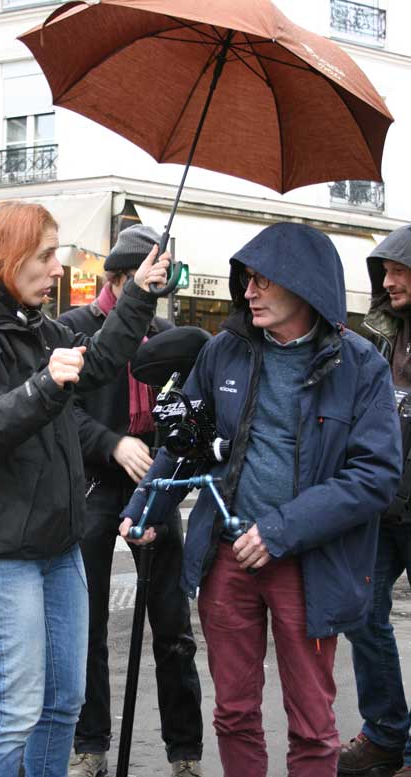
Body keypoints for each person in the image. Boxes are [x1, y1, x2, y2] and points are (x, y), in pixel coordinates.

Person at [119, 222, 402, 777]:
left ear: (305, 286)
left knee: (313, 726)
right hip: (226, 558)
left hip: (308, 565)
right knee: (234, 713)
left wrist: (279, 532)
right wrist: (143, 507)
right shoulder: (225, 351)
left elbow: (375, 476)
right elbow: (184, 440)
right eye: (246, 280)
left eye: (262, 281)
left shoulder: (360, 364)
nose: (247, 292)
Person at [0, 200, 169, 777]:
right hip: (1, 552)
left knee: (61, 705)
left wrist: (139, 293)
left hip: (58, 546)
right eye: (45, 255)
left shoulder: (37, 326)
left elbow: (102, 362)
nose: (57, 268)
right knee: (15, 712)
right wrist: (43, 388)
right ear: (6, 257)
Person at [59, 225, 204, 777]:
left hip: (156, 487)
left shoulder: (165, 332)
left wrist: (166, 455)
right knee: (89, 624)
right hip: (96, 486)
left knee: (173, 626)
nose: (154, 289)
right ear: (117, 279)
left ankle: (184, 752)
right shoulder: (74, 327)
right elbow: (60, 411)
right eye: (144, 279)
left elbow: (186, 416)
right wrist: (111, 442)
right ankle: (90, 744)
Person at [339, 224, 411, 777]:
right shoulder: (382, 336)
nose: (388, 281)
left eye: (399, 269)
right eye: (383, 272)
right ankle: (387, 733)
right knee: (363, 613)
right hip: (383, 506)